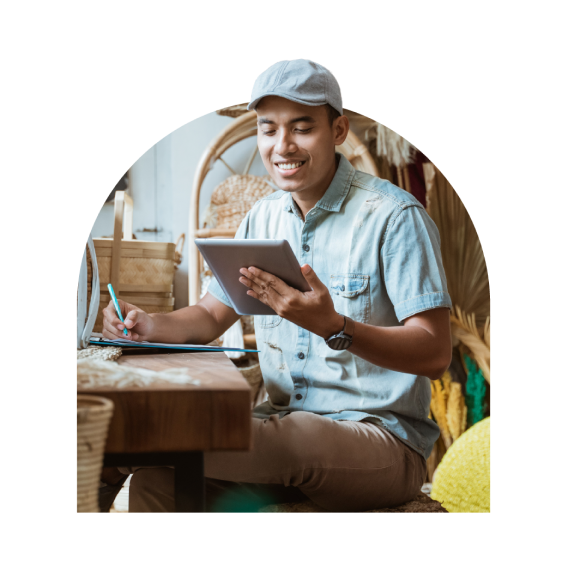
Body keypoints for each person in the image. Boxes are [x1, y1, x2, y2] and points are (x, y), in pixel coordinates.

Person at [101, 59, 452, 513]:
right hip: (285, 433)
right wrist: (148, 324)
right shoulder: (260, 218)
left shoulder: (394, 217)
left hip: (382, 445)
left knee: (293, 438)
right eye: (269, 129)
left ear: (338, 130)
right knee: (156, 486)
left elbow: (435, 353)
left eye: (302, 128)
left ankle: (125, 447)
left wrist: (334, 326)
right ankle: (134, 453)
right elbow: (210, 315)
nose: (282, 145)